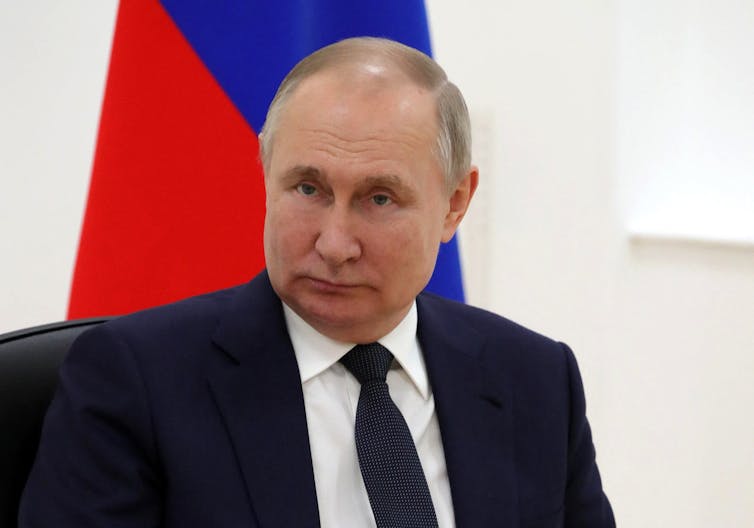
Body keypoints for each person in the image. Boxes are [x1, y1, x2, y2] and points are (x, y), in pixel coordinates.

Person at [20, 37, 614, 527]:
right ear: (266, 174)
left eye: (379, 199)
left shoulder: (535, 380)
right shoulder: (134, 382)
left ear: (455, 204)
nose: (333, 244)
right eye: (308, 188)